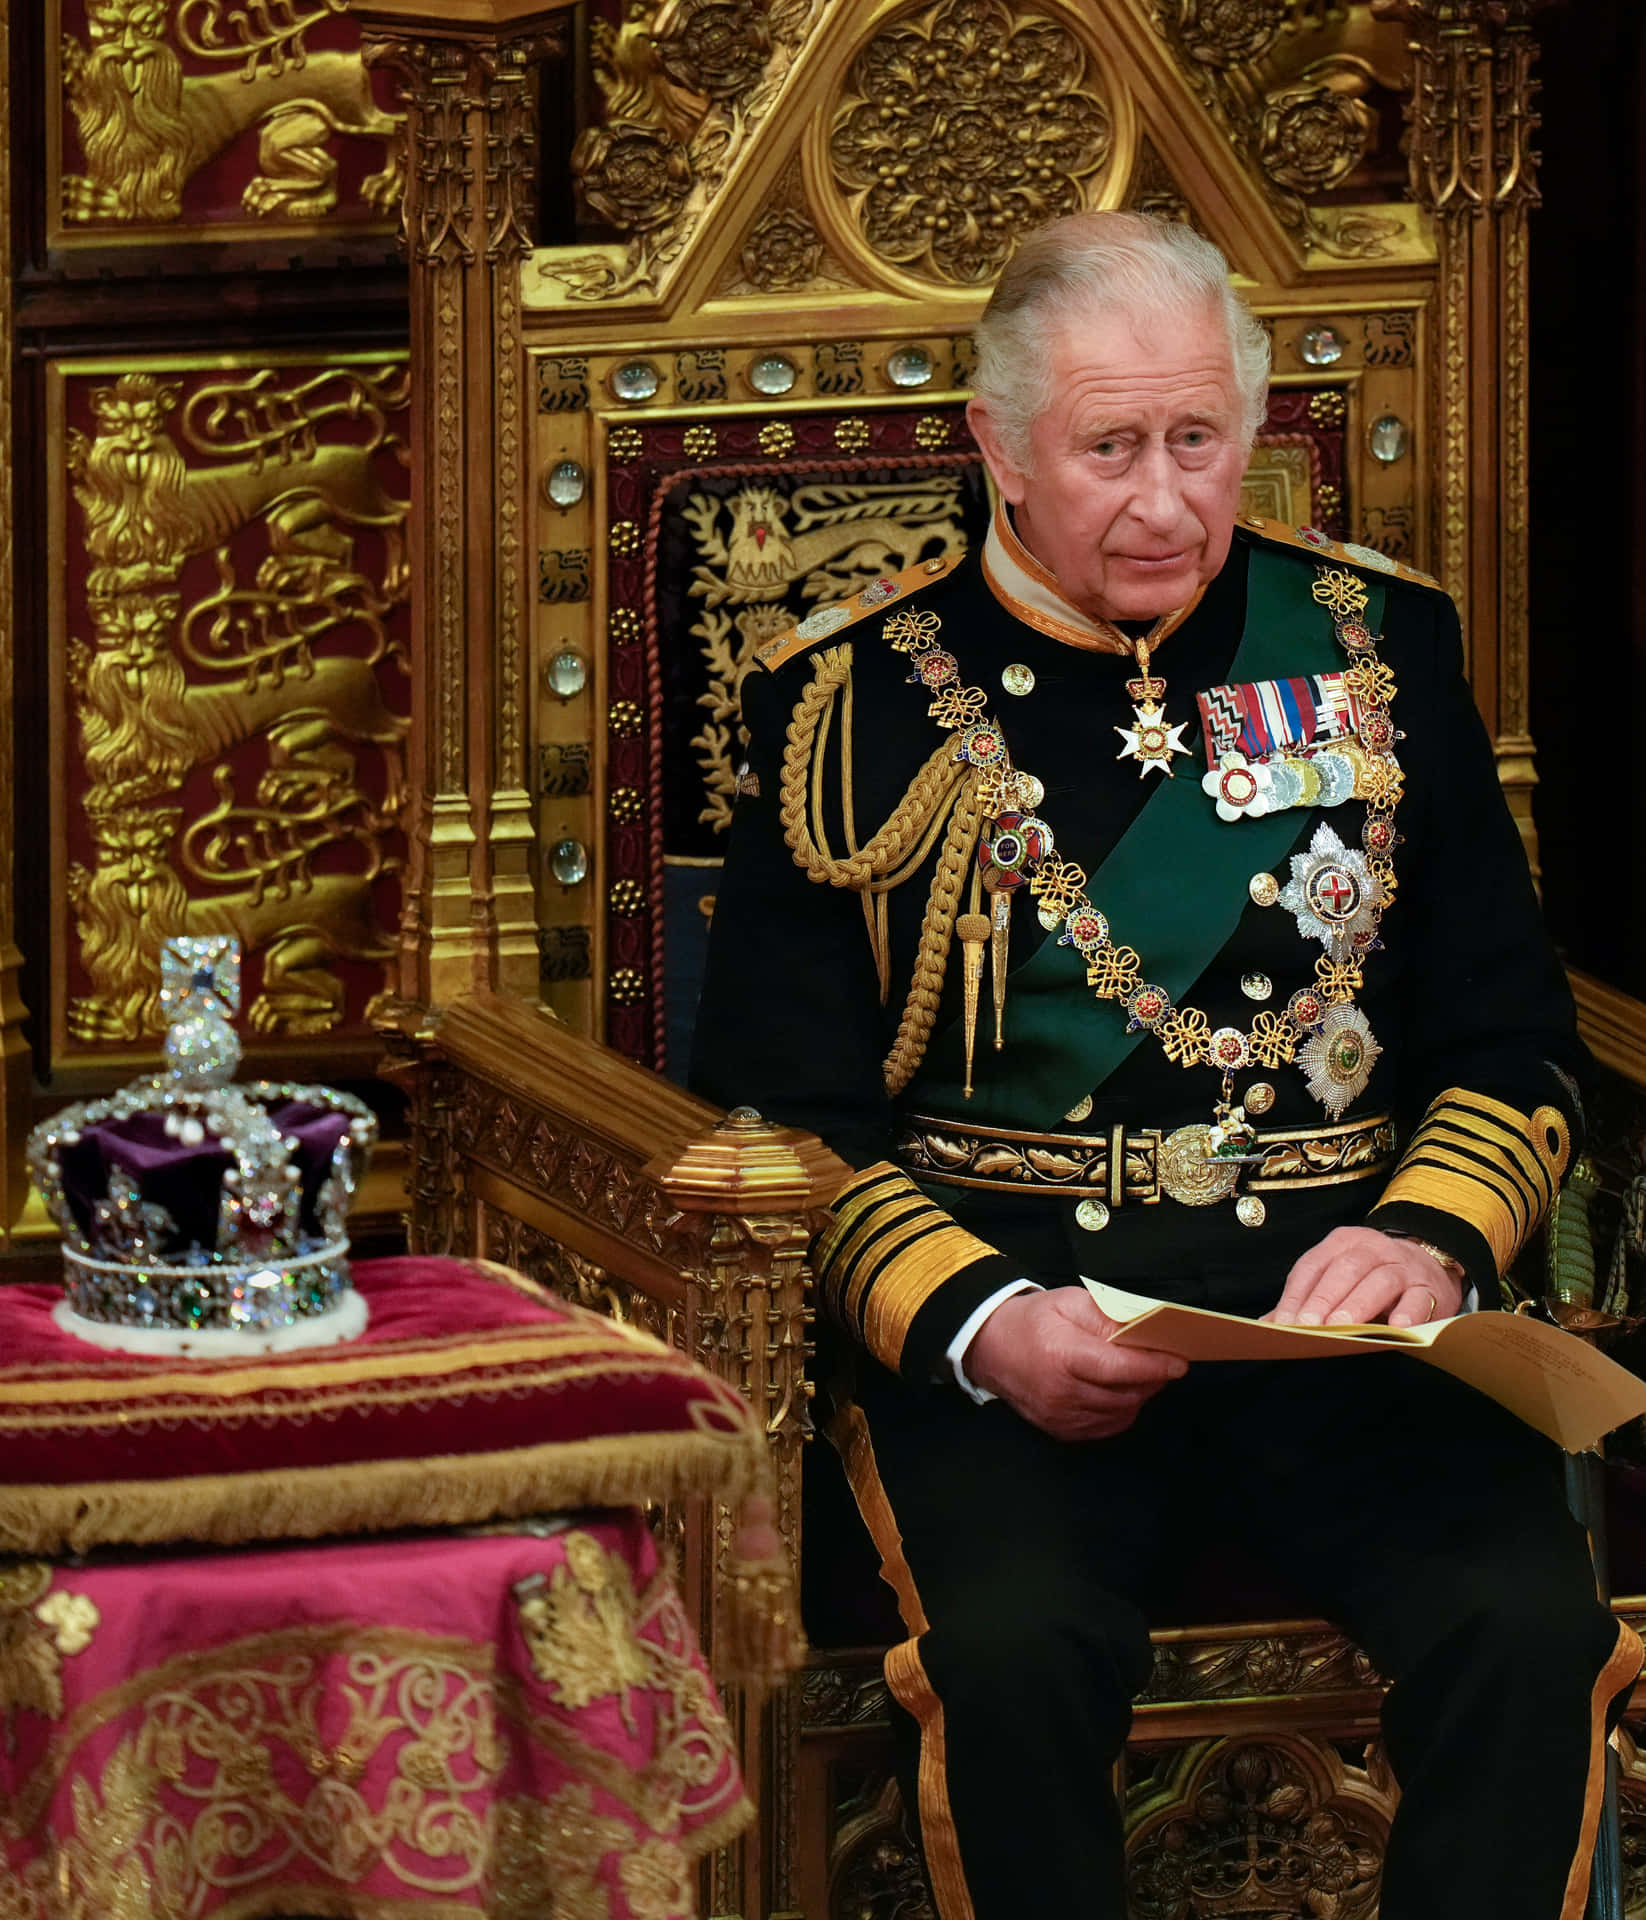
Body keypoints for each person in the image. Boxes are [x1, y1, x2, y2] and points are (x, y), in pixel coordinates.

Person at [690, 210, 1639, 1920]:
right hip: (1025, 1340)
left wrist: (1427, 1236)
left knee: (1529, 1628)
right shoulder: (849, 702)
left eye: (1197, 440)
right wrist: (985, 1324)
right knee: (1016, 1652)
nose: (1162, 501)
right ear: (994, 445)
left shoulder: (1373, 647)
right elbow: (788, 1118)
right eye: (1107, 446)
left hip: (1352, 1330)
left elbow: (1507, 1032)